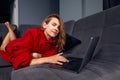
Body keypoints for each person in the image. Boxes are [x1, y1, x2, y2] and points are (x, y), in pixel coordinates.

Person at [0, 14, 69, 70]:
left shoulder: (53, 43)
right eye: (54, 25)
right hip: (15, 47)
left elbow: (50, 55)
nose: (56, 29)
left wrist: (39, 55)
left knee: (15, 41)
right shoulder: (33, 33)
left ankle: (11, 29)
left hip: (19, 42)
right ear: (45, 25)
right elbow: (20, 61)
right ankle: (10, 29)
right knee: (3, 47)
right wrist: (47, 59)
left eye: (58, 27)